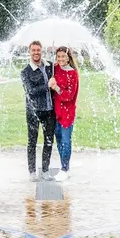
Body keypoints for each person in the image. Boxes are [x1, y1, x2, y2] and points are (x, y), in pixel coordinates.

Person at [21, 40, 56, 181]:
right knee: (32, 141)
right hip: (34, 111)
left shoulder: (50, 67)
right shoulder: (25, 72)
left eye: (38, 50)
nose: (36, 53)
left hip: (49, 110)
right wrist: (47, 86)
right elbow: (30, 91)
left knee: (48, 141)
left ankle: (46, 170)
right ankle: (32, 171)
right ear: (30, 52)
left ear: (42, 51)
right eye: (33, 50)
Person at [49, 46, 80, 181]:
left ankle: (65, 168)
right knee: (59, 140)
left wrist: (56, 88)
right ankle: (64, 165)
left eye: (63, 57)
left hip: (67, 112)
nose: (61, 59)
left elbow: (69, 95)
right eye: (58, 57)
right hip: (56, 111)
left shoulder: (73, 74)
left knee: (66, 141)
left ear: (68, 58)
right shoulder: (54, 69)